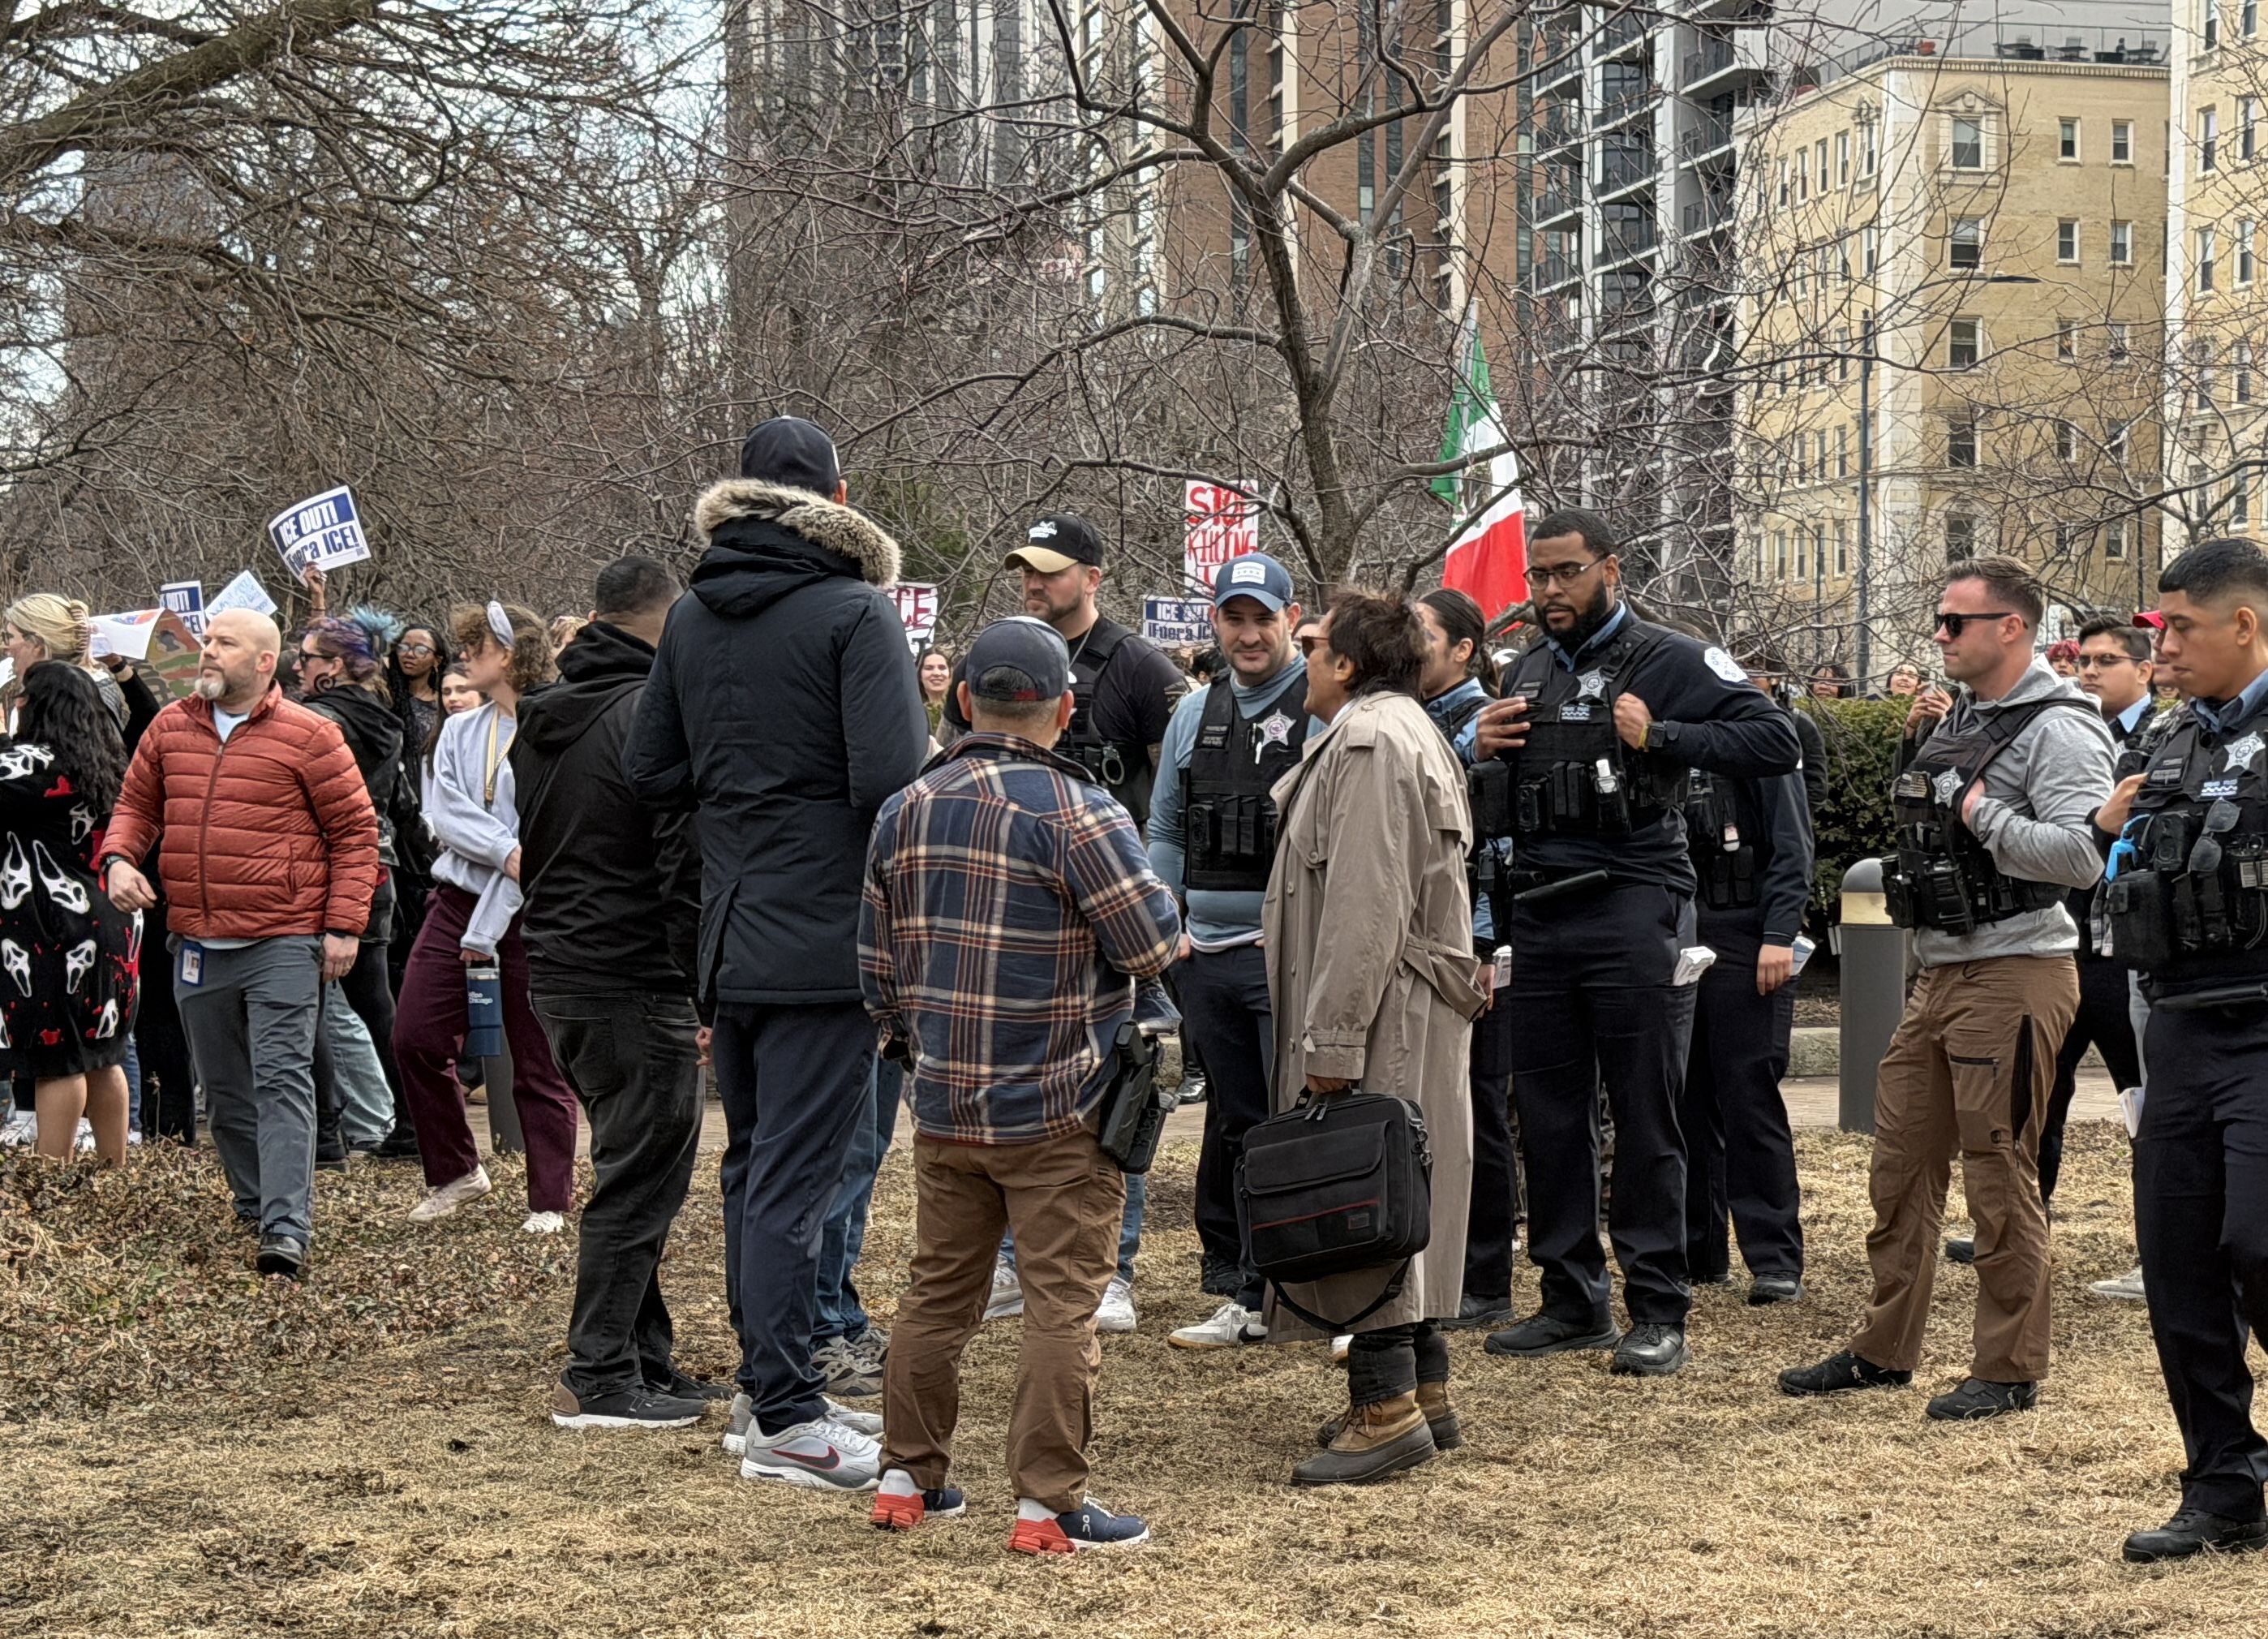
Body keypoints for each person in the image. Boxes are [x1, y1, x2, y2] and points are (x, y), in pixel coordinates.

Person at [626, 415, 928, 1486]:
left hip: (732, 931)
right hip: (824, 937)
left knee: (756, 1171)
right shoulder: (857, 612)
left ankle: (774, 1400)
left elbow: (649, 767)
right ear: (836, 497)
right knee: (793, 1181)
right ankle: (790, 1414)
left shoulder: (694, 619)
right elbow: (892, 778)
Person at [861, 616, 1179, 1545]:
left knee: (935, 1295)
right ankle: (1047, 1503)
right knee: (1061, 1305)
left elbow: (876, 971)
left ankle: (904, 1481)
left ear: (962, 701)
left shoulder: (902, 809)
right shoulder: (1080, 812)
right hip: (1059, 1110)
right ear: (1065, 709)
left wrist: (918, 1055)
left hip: (947, 1105)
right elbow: (1155, 944)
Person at [1780, 554, 2115, 1421]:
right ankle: (1883, 1348)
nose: (1939, 635)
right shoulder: (1965, 715)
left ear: (2012, 627)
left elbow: (2083, 856)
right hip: (1941, 969)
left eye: (1954, 621)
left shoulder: (2061, 726)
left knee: (1998, 1173)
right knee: (1900, 1168)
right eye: (1938, 620)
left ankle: (2008, 1366)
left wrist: (1978, 812)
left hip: (2017, 970)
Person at [1467, 510, 1801, 1377]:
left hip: (1631, 903)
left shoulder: (1670, 658)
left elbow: (1774, 740)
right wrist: (1484, 746)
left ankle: (1658, 1305)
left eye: (1567, 574)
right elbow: (1495, 783)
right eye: (1539, 577)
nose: (1549, 592)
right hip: (1541, 908)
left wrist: (1661, 737)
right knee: (1548, 1111)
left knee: (1646, 1111)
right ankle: (1571, 1296)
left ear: (1611, 570)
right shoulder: (1530, 665)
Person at [1260, 591, 1484, 1485]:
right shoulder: (1405, 729)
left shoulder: (1369, 742)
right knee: (1405, 1186)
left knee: (1367, 1192)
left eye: (1314, 646)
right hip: (1402, 1004)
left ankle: (1385, 1407)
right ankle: (1423, 1390)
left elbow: (1362, 906)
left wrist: (1333, 1044)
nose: (1303, 657)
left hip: (1381, 1010)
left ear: (1347, 664)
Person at [947, 518, 1183, 1334]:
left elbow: (1173, 786)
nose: (1033, 584)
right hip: (1014, 908)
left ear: (1093, 576)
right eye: (1025, 572)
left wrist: (1155, 887)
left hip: (1111, 901)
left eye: (1048, 572)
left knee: (1122, 1078)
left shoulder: (1140, 669)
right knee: (1023, 1093)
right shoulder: (999, 657)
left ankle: (1109, 1266)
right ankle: (1014, 1261)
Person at [100, 609, 380, 1280]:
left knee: (281, 1079)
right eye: (208, 642)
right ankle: (255, 1205)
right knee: (225, 1091)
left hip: (283, 936)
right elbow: (136, 806)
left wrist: (343, 927)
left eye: (224, 644)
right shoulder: (170, 727)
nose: (207, 654)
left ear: (262, 662)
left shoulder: (312, 736)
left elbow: (355, 836)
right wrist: (118, 859)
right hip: (196, 937)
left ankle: (287, 1228)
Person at [511, 557, 717, 1430]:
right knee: (639, 1179)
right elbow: (678, 864)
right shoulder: (646, 714)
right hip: (630, 972)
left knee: (639, 1167)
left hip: (560, 969)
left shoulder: (546, 715)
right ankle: (597, 1371)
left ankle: (644, 1356)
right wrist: (703, 981)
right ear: (666, 625)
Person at [2091, 539, 2268, 1561]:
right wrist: (2105, 820)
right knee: (2181, 1262)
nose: (2162, 653)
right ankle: (2223, 1486)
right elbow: (2114, 867)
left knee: (2259, 1241)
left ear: (2243, 624)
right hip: (2183, 1029)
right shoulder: (2170, 737)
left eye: (2180, 631)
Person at [1942, 614, 2157, 1272]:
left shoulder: (2165, 739)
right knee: (2036, 1098)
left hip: (2125, 955)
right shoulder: (2042, 729)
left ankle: (2161, 1244)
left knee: (2147, 1102)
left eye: (2108, 660)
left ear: (2145, 670)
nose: (2090, 671)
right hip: (2060, 942)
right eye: (2085, 659)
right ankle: (2014, 1227)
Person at [1141, 553, 1308, 1349]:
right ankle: (1247, 1291)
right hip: (1206, 957)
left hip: (1290, 957)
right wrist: (1166, 920)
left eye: (1261, 618)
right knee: (1239, 1127)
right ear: (1216, 622)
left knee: (1300, 1125)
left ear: (1291, 617)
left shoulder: (1325, 704)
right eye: (1233, 618)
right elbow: (1167, 826)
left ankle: (1311, 1295)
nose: (1247, 633)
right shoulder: (1193, 712)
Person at [393, 601, 580, 1232]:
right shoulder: (457, 731)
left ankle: (550, 1197)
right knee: (415, 1035)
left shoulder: (553, 724)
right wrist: (507, 852)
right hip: (458, 901)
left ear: (511, 654)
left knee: (537, 1056)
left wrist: (520, 859)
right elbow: (446, 815)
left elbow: (548, 816)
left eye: (477, 647)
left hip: (535, 910)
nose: (463, 656)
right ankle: (456, 1172)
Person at [1678, 666, 1815, 1305]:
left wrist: (1780, 935)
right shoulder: (1669, 739)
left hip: (1746, 932)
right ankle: (1698, 1251)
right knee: (1686, 1098)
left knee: (1747, 1096)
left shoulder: (1762, 740)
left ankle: (1774, 1258)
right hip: (1679, 931)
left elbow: (1792, 847)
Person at [1410, 587, 1523, 1331]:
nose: (1408, 646)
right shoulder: (1407, 718)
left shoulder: (1491, 724)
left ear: (1463, 650)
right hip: (1420, 942)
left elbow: (1492, 848)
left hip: (1472, 946)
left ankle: (1485, 1274)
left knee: (1478, 1108)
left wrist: (1486, 948)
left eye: (1421, 634)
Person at [0, 664, 140, 1164]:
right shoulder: (108, 757)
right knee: (103, 1055)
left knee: (55, 1059)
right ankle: (113, 1172)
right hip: (114, 923)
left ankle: (52, 1179)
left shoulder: (31, 764)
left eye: (22, 697)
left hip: (46, 927)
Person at [295, 613, 410, 1165]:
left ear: (335, 666)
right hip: (376, 868)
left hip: (326, 871)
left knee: (309, 1007)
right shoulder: (380, 716)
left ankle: (324, 1137)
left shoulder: (318, 721)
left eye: (308, 658)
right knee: (375, 1005)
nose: (299, 666)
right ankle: (412, 1125)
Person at [916, 646, 953, 738]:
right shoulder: (913, 713)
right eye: (929, 668)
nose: (936, 673)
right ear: (920, 675)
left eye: (942, 668)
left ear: (950, 673)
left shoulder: (963, 711)